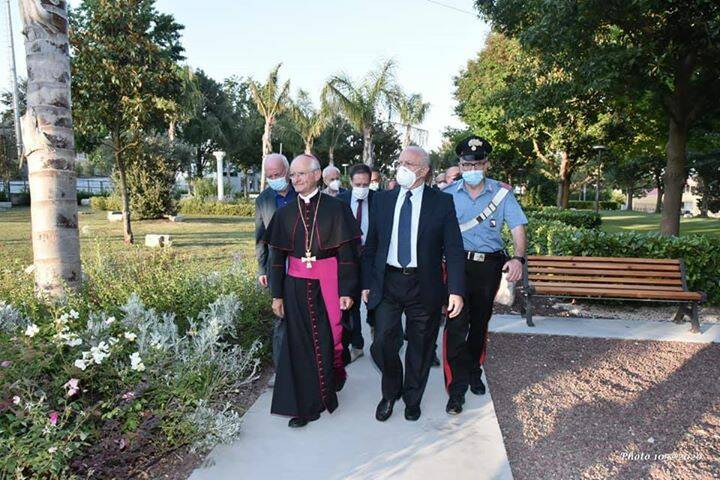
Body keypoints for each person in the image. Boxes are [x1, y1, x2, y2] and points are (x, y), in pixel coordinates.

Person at [362, 146, 465, 422]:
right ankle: (390, 391)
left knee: (420, 345)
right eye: (399, 162)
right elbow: (371, 246)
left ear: (423, 170)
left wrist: (455, 290)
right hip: (388, 282)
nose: (401, 167)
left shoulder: (441, 203)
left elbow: (453, 249)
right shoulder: (382, 200)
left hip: (424, 284)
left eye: (408, 163)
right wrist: (366, 283)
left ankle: (412, 398)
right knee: (383, 341)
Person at [263, 154, 361, 428]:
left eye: (301, 174)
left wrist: (347, 289)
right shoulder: (284, 214)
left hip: (327, 282)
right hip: (295, 285)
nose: (295, 179)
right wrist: (277, 295)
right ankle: (306, 406)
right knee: (299, 345)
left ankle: (329, 387)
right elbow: (276, 258)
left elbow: (347, 254)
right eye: (292, 175)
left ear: (317, 175)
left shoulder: (336, 208)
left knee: (329, 339)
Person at [442, 136, 527, 415]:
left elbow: (517, 227)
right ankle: (456, 388)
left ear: (486, 164)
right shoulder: (448, 195)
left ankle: (473, 369)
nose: (472, 168)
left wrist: (518, 258)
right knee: (456, 325)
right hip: (456, 267)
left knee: (479, 324)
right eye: (467, 164)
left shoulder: (502, 194)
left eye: (478, 163)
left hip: (488, 268)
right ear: (460, 165)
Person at [254, 154, 296, 370]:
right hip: (276, 267)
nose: (273, 178)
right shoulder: (263, 199)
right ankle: (281, 372)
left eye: (277, 174)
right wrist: (262, 268)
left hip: (302, 264)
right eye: (269, 175)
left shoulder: (301, 192)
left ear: (287, 172)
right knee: (280, 317)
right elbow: (260, 236)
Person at [338, 164, 375, 363]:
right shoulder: (340, 201)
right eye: (358, 184)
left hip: (371, 260)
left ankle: (378, 341)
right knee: (349, 305)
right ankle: (355, 344)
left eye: (366, 184)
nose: (362, 187)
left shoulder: (378, 201)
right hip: (348, 261)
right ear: (350, 182)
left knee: (373, 302)